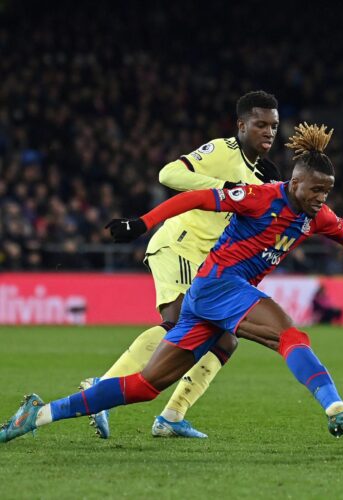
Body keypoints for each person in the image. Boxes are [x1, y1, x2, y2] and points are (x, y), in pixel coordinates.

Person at [0, 123, 343, 445]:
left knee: (146, 386)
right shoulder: (261, 197)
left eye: (328, 191)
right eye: (316, 189)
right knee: (290, 335)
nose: (322, 198)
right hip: (219, 284)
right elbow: (196, 197)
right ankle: (337, 409)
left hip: (207, 299)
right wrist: (143, 222)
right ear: (295, 182)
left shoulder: (318, 216)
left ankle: (39, 414)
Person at [79, 91, 283, 440]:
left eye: (274, 126)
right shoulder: (222, 150)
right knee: (177, 324)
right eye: (260, 124)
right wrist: (223, 187)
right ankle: (102, 390)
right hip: (180, 246)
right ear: (241, 125)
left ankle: (172, 416)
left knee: (225, 341)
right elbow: (169, 174)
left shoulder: (261, 173)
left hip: (207, 262)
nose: (268, 132)